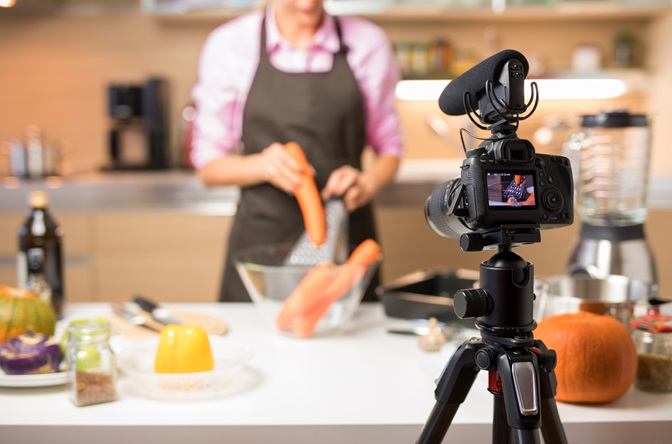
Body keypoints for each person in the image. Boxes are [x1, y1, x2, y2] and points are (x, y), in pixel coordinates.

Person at [190, 0, 404, 302]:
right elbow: (208, 165)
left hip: (344, 241)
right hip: (261, 242)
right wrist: (263, 166)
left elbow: (390, 149)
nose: (307, 3)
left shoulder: (368, 43)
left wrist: (366, 183)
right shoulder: (230, 45)